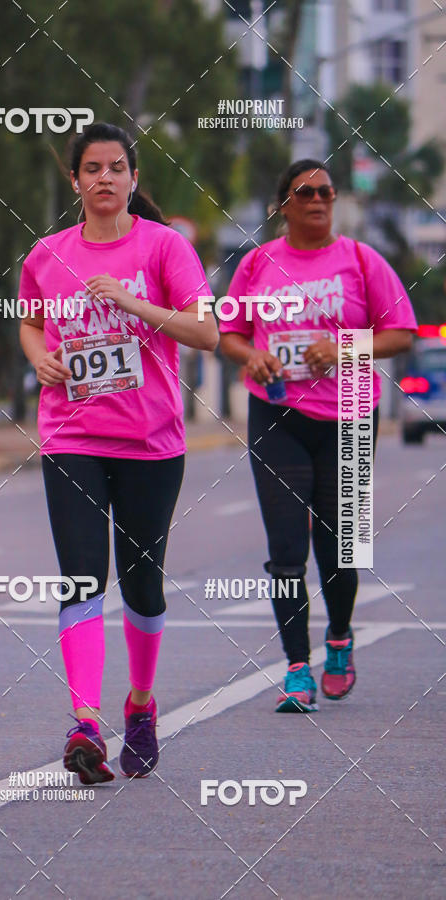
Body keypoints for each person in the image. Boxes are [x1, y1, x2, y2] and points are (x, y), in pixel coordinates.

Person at [19, 123, 218, 780]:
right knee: (81, 577)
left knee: (142, 586)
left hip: (150, 443)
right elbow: (29, 317)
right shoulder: (47, 254)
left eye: (116, 167)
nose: (104, 178)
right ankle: (84, 723)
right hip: (71, 436)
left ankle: (139, 702)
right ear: (74, 181)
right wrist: (40, 356)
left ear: (134, 180)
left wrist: (134, 301)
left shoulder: (165, 247)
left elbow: (208, 332)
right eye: (91, 168)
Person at [219, 159, 417, 713]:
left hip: (351, 412)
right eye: (305, 192)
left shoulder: (360, 260)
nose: (318, 200)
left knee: (338, 548)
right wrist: (253, 356)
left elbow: (401, 333)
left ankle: (339, 638)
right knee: (286, 550)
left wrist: (345, 348)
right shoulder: (257, 264)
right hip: (278, 414)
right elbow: (228, 333)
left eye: (326, 192)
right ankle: (297, 667)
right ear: (283, 205)